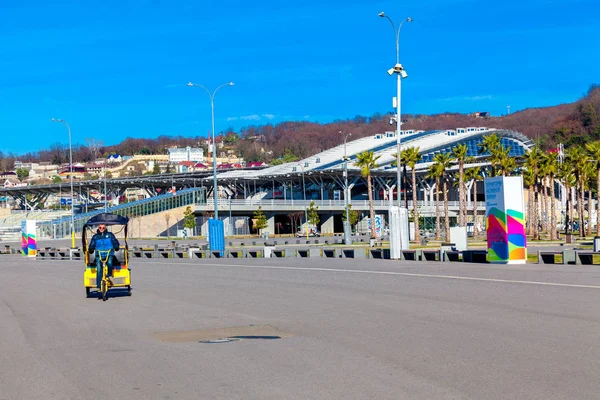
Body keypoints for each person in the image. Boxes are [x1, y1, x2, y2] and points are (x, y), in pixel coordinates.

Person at [88, 223, 120, 296]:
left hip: (109, 253)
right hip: (99, 254)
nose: (101, 229)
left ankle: (109, 275)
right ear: (98, 228)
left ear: (105, 228)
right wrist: (91, 249)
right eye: (100, 227)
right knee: (99, 269)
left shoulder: (110, 235)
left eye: (103, 228)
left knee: (109, 262)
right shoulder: (95, 237)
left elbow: (114, 241)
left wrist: (116, 246)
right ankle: (99, 286)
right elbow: (92, 244)